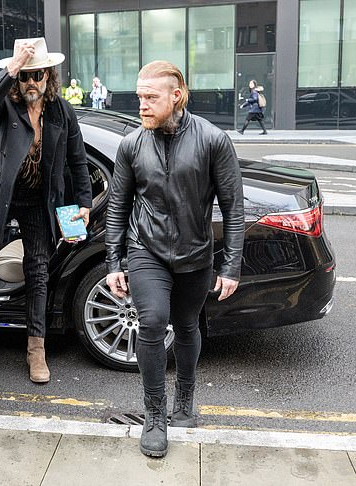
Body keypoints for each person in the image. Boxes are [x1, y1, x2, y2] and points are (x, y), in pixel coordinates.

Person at [105, 60, 244, 458]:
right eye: (139, 97)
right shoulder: (132, 144)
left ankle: (185, 399)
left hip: (195, 254)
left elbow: (233, 208)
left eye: (151, 97)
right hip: (146, 249)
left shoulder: (213, 140)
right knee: (151, 322)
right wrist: (114, 262)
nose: (142, 105)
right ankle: (155, 415)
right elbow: (118, 205)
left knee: (186, 326)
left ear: (176, 96)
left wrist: (231, 266)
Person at [0, 37, 92, 384]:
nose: (31, 82)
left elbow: (77, 161)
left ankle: (36, 349)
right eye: (25, 76)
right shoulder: (5, 104)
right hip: (1, 195)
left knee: (38, 270)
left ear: (49, 76)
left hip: (40, 200)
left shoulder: (62, 111)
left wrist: (84, 204)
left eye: (38, 75)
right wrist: (13, 66)